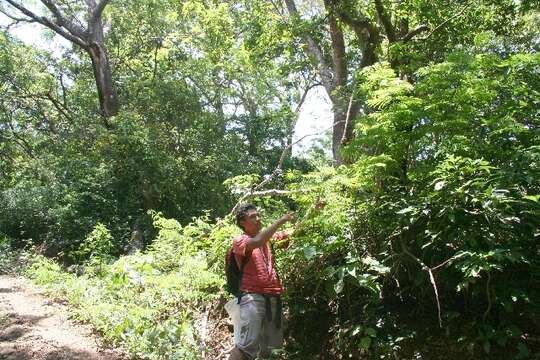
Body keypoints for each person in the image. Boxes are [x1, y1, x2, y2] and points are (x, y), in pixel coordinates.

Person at [228, 203, 295, 360]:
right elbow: (257, 241)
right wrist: (279, 221)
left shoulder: (268, 239)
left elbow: (295, 231)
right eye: (252, 217)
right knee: (246, 346)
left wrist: (313, 210)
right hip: (252, 298)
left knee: (273, 350)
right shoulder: (240, 240)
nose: (258, 219)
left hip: (274, 297)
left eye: (258, 215)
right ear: (242, 223)